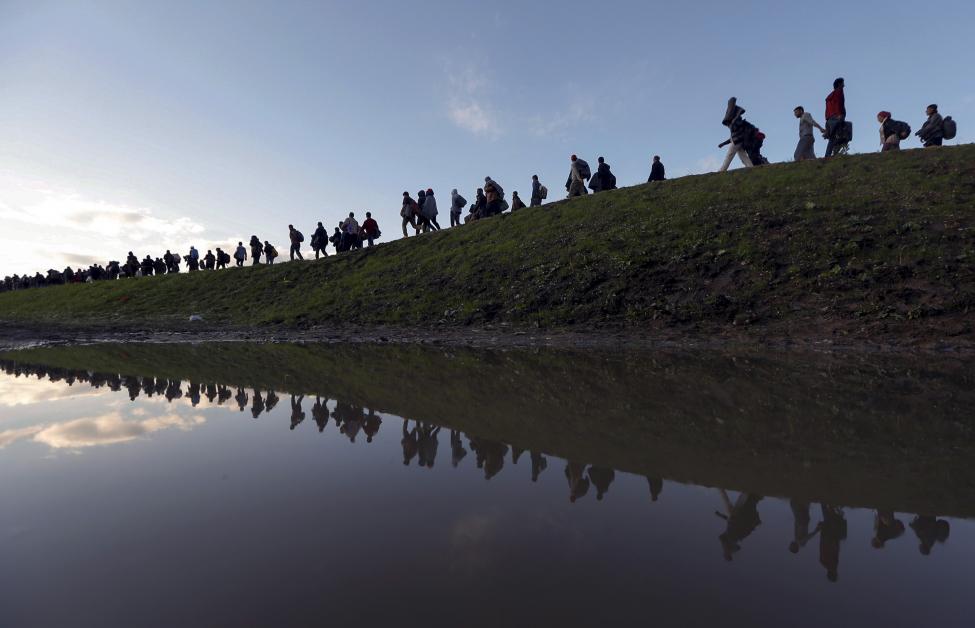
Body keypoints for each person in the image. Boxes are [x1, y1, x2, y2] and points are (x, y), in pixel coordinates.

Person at [718, 98, 754, 171]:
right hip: (737, 141)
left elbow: (734, 137)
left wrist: (738, 113)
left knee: (729, 155)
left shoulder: (736, 124)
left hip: (736, 142)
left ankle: (722, 170)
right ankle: (751, 167)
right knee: (743, 156)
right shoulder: (734, 127)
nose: (727, 126)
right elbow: (731, 139)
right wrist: (723, 144)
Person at [824, 78, 847, 158]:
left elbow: (827, 109)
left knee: (832, 138)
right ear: (839, 84)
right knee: (843, 135)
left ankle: (828, 155)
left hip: (830, 118)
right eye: (843, 83)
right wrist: (839, 114)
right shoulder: (839, 92)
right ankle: (836, 154)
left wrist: (827, 119)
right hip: (837, 116)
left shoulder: (830, 96)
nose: (844, 84)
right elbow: (838, 104)